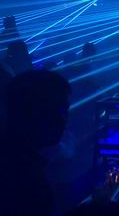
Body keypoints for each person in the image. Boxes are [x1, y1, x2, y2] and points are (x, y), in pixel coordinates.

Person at [0, 70, 71, 216]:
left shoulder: (19, 161)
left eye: (65, 110)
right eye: (56, 109)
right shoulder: (20, 176)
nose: (63, 119)